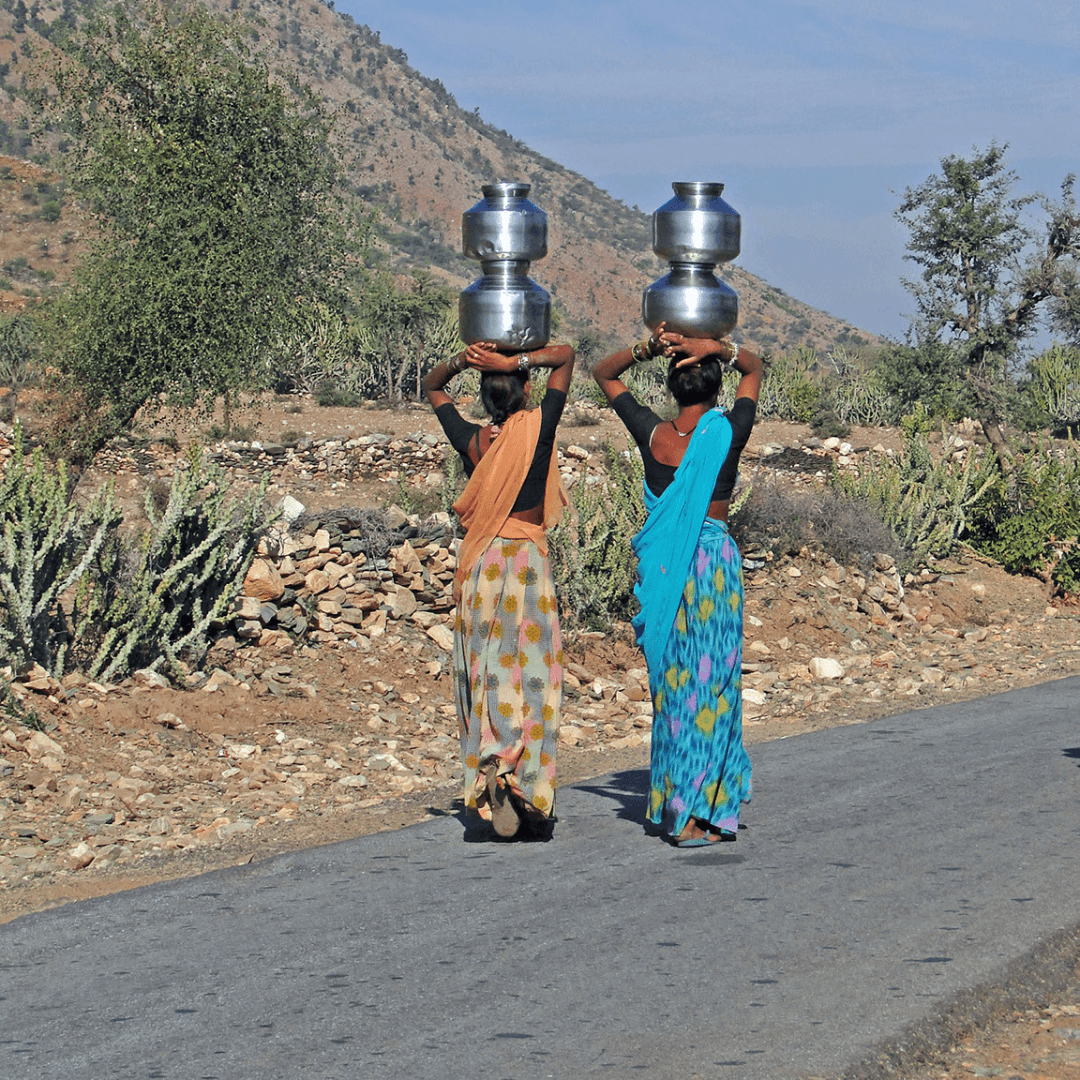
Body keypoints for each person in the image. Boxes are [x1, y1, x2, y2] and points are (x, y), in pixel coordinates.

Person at [592, 324, 762, 847]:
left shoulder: (654, 435)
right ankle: (707, 810)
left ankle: (678, 809)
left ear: (669, 387)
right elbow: (754, 368)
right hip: (713, 568)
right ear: (716, 386)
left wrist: (646, 347)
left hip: (668, 572)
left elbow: (603, 372)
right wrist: (719, 349)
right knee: (715, 686)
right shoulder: (728, 431)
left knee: (675, 690)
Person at [422, 340, 575, 840]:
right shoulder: (539, 430)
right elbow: (567, 356)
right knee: (535, 675)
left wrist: (462, 362)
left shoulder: (475, 443)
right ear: (528, 390)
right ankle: (528, 785)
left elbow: (430, 385)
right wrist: (517, 360)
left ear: (485, 400)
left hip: (483, 566)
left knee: (488, 673)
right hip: (527, 565)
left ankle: (494, 760)